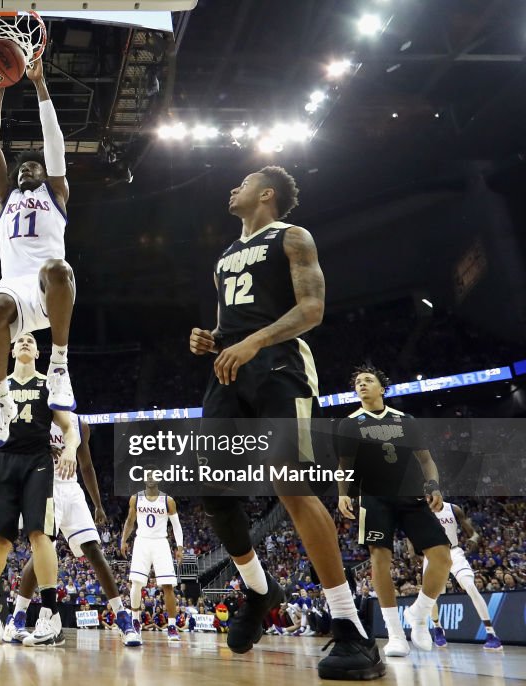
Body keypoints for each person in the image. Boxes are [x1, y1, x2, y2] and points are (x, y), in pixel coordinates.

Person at [188, 167, 384, 680]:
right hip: (228, 371)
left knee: (293, 486)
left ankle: (350, 626)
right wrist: (212, 337)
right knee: (211, 490)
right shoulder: (226, 257)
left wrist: (255, 340)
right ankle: (258, 587)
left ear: (267, 194)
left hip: (280, 367)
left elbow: (312, 309)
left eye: (245, 181)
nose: (233, 188)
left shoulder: (292, 237)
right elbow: (233, 323)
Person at [0, 59, 76, 450]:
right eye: (22, 169)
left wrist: (39, 86)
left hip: (50, 286)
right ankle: (0, 397)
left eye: (32, 167)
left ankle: (58, 363)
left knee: (57, 268)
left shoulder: (56, 193)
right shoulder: (5, 200)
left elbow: (54, 143)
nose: (25, 171)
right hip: (16, 286)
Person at [337, 365, 452, 656]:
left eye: (368, 380)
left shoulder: (406, 420)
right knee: (379, 559)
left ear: (382, 389)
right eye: (358, 382)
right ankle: (395, 634)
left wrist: (434, 485)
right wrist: (343, 494)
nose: (361, 384)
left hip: (411, 495)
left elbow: (426, 460)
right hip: (373, 497)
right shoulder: (350, 423)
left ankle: (420, 614)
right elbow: (344, 466)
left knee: (442, 558)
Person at [0, 332, 78, 647]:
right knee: (1, 541)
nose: (25, 342)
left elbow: (70, 427)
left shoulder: (49, 382)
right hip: (4, 461)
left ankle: (49, 612)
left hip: (38, 462)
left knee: (40, 535)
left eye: (31, 340)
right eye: (20, 340)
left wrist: (70, 450)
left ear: (37, 351)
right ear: (10, 349)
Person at [4, 414, 140, 647]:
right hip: (46, 487)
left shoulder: (79, 425)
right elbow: (18, 450)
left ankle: (122, 617)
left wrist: (97, 504)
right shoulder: (38, 419)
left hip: (72, 490)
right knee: (41, 553)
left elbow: (86, 466)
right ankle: (17, 618)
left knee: (94, 550)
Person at [424, 500, 503, 651]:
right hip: (432, 554)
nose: (429, 498)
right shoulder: (422, 511)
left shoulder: (453, 509)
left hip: (453, 552)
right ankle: (437, 628)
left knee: (470, 586)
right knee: (431, 596)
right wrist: (413, 550)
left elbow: (472, 532)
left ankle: (491, 634)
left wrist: (473, 538)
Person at [120, 479, 183, 642]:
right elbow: (130, 521)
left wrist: (180, 548)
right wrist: (123, 540)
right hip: (142, 541)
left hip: (161, 542)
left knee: (168, 586)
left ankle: (171, 625)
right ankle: (135, 621)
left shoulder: (168, 500)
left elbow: (176, 526)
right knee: (136, 583)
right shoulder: (136, 498)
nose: (150, 478)